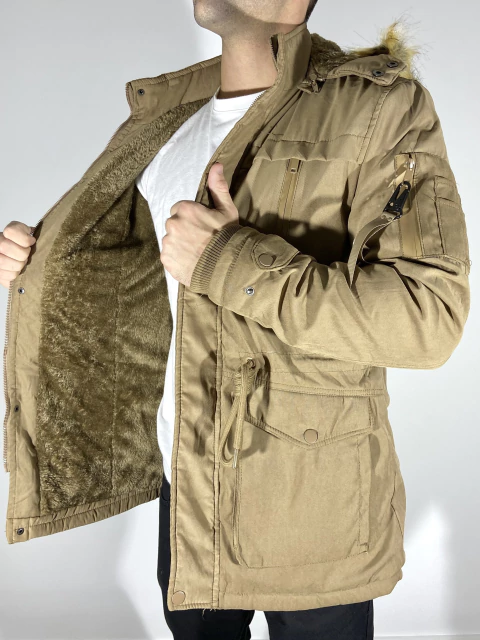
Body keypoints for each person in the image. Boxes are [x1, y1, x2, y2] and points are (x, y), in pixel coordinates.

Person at [1, 1, 470, 639]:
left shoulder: (377, 106)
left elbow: (427, 316)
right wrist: (43, 264)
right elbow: (145, 281)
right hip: (188, 481)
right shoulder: (168, 122)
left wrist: (228, 258)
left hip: (313, 504)